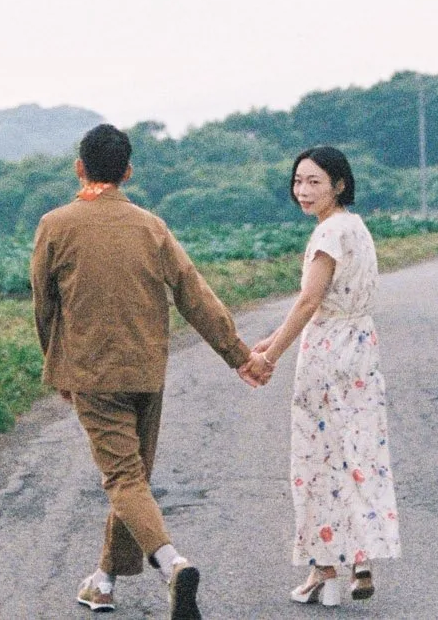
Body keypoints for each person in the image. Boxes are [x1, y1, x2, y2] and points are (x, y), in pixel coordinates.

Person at [32, 122, 271, 619]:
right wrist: (238, 354)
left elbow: (44, 306)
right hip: (146, 372)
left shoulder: (55, 225)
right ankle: (103, 582)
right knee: (133, 479)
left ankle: (171, 564)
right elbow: (193, 294)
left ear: (79, 168)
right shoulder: (151, 226)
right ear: (128, 172)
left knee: (124, 478)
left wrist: (58, 369)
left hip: (93, 373)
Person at [246, 145, 400, 606]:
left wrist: (271, 355)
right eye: (298, 181)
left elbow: (309, 301)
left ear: (339, 184)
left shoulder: (328, 233)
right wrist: (272, 337)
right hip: (360, 349)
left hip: (328, 352)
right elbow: (325, 300)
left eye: (314, 181)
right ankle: (360, 559)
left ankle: (324, 568)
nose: (303, 190)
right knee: (358, 451)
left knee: (318, 460)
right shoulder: (356, 227)